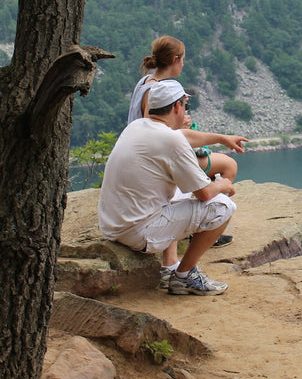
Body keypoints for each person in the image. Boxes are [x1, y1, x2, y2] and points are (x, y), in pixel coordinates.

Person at [98, 80, 242, 295]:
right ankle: (184, 276)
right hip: (138, 232)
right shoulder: (170, 140)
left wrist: (221, 138)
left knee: (179, 190)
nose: (185, 110)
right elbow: (204, 194)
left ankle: (170, 266)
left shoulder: (136, 126)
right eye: (185, 105)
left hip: (113, 225)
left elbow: (184, 136)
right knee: (223, 206)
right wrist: (223, 184)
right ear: (176, 107)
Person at [128, 36, 238, 278]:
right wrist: (181, 126)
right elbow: (156, 127)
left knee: (188, 187)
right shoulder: (157, 89)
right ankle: (197, 241)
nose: (183, 64)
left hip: (151, 154)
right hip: (157, 156)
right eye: (183, 60)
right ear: (176, 60)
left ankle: (176, 255)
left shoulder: (146, 81)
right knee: (225, 167)